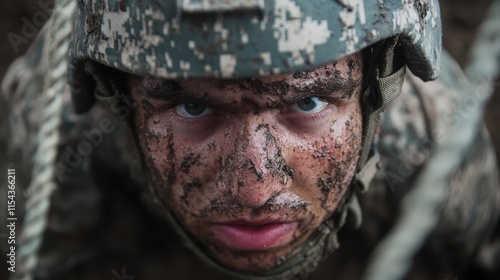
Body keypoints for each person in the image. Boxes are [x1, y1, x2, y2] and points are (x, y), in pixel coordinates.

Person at [1, 0, 499, 279]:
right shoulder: (52, 132)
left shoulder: (435, 142)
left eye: (307, 103)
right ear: (116, 92)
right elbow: (13, 253)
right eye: (193, 107)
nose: (254, 188)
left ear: (376, 88)